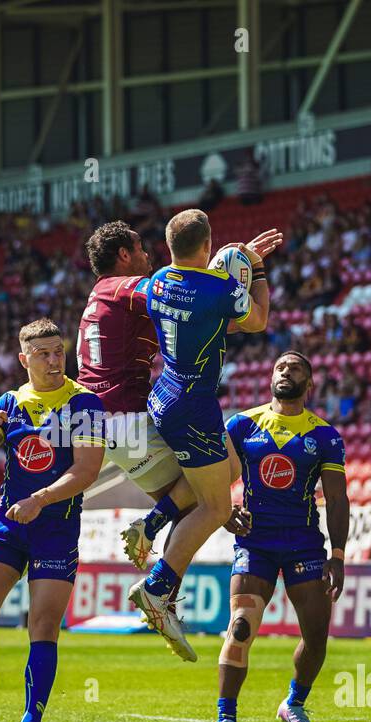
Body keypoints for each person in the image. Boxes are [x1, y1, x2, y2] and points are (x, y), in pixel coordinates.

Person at [0, 319, 106, 722]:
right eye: (44, 354)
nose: (55, 361)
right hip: (9, 524)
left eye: (59, 352)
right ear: (24, 359)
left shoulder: (85, 403)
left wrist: (40, 498)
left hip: (56, 527)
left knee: (43, 626)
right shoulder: (10, 402)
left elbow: (87, 471)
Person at [127, 209, 278, 660]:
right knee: (215, 505)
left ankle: (149, 525)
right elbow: (257, 320)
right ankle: (157, 587)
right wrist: (256, 268)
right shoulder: (219, 288)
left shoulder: (154, 282)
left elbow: (208, 316)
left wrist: (227, 273)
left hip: (163, 394)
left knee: (231, 465)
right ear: (208, 245)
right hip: (195, 404)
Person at [211, 352, 348, 722]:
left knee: (317, 637)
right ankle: (226, 717)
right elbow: (211, 474)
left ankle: (294, 704)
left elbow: (337, 500)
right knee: (240, 626)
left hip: (305, 545)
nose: (286, 371)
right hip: (255, 542)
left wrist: (337, 556)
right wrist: (224, 513)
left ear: (309, 384)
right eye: (280, 367)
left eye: (296, 368)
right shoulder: (241, 424)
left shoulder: (324, 435)